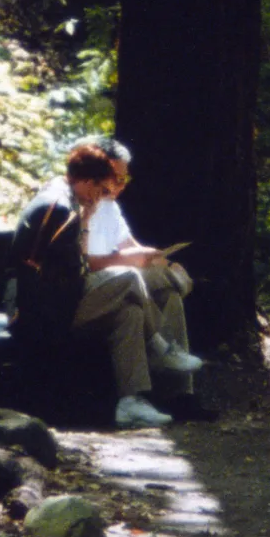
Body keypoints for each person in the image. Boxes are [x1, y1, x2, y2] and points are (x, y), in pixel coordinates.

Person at [8, 142, 200, 429]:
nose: (108, 192)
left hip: (66, 297)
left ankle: (132, 402)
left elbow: (77, 265)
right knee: (129, 277)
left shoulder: (77, 204)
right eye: (104, 186)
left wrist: (88, 220)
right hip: (48, 310)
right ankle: (160, 348)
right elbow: (62, 270)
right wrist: (111, 252)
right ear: (89, 180)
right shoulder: (60, 207)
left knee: (130, 311)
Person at [84, 137, 198, 395]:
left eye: (124, 179)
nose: (119, 186)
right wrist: (137, 261)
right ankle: (161, 353)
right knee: (157, 281)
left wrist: (169, 263)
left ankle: (180, 394)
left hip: (121, 281)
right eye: (114, 178)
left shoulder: (110, 207)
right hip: (100, 287)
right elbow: (86, 264)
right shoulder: (81, 205)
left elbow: (133, 247)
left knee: (170, 294)